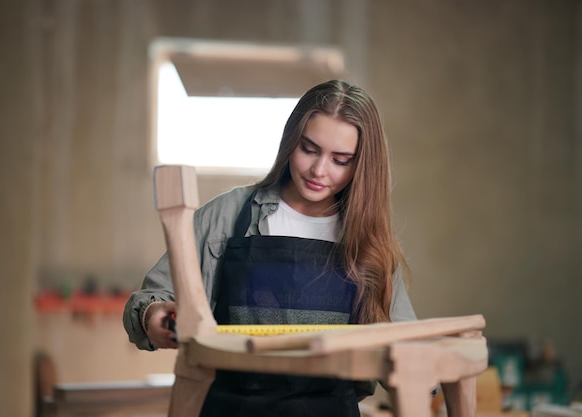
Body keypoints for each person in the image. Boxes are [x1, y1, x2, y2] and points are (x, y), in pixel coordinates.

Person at [123, 79, 417, 417]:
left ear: (362, 164)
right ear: (291, 140)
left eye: (340, 159)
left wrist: (439, 360)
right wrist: (153, 316)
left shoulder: (369, 244)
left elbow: (406, 344)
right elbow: (151, 298)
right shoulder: (227, 216)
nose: (319, 170)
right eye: (309, 149)